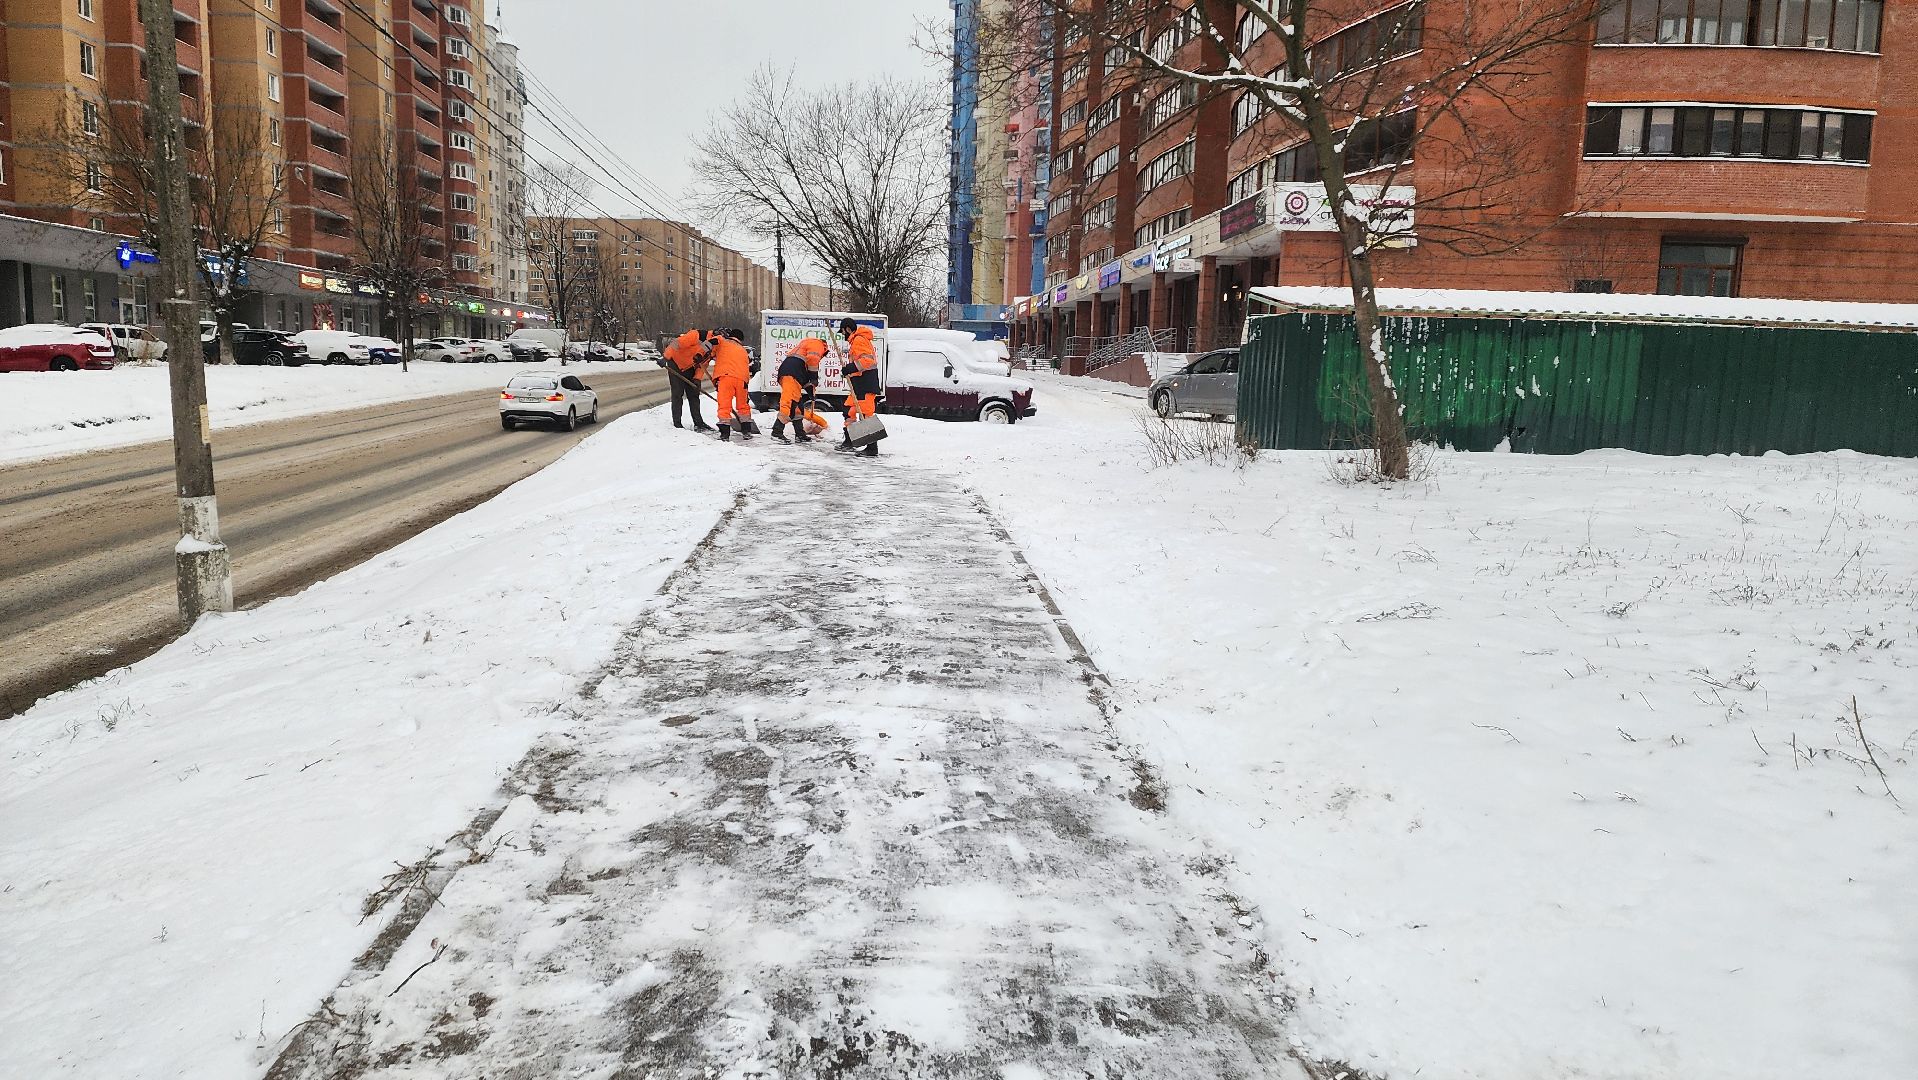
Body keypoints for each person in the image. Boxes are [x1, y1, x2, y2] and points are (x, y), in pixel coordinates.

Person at [835, 317, 881, 456]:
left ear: (848, 329)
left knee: (866, 415)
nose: (843, 335)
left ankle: (872, 448)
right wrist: (849, 371)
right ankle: (850, 441)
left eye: (843, 332)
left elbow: (867, 361)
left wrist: (849, 368)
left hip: (866, 383)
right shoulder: (855, 341)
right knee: (849, 410)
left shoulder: (859, 340)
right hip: (858, 384)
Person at [771, 336, 828, 443]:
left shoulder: (805, 347)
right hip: (791, 374)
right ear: (825, 347)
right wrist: (814, 377)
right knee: (789, 403)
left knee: (797, 407)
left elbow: (803, 376)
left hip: (793, 374)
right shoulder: (818, 344)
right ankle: (777, 432)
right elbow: (813, 359)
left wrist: (810, 391)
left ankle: (800, 434)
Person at [708, 327, 756, 441]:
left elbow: (713, 343)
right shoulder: (743, 350)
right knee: (743, 406)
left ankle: (725, 434)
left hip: (726, 378)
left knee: (724, 406)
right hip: (742, 380)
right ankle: (746, 431)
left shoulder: (722, 342)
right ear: (740, 339)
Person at [660, 329, 714, 432]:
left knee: (694, 394)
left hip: (690, 367)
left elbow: (703, 363)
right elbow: (676, 343)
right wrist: (666, 357)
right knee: (677, 394)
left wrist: (697, 378)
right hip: (675, 363)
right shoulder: (695, 335)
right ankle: (677, 423)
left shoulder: (713, 346)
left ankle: (698, 423)